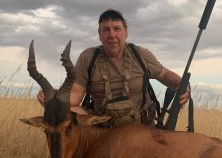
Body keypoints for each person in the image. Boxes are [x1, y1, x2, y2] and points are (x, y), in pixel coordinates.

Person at [38, 9, 190, 127]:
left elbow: (164, 74)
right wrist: (52, 96)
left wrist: (183, 85)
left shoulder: (140, 55)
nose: (112, 35)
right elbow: (76, 95)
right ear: (99, 35)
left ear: (125, 33)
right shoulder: (88, 57)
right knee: (62, 113)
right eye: (106, 30)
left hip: (140, 125)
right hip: (103, 125)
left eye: (117, 29)